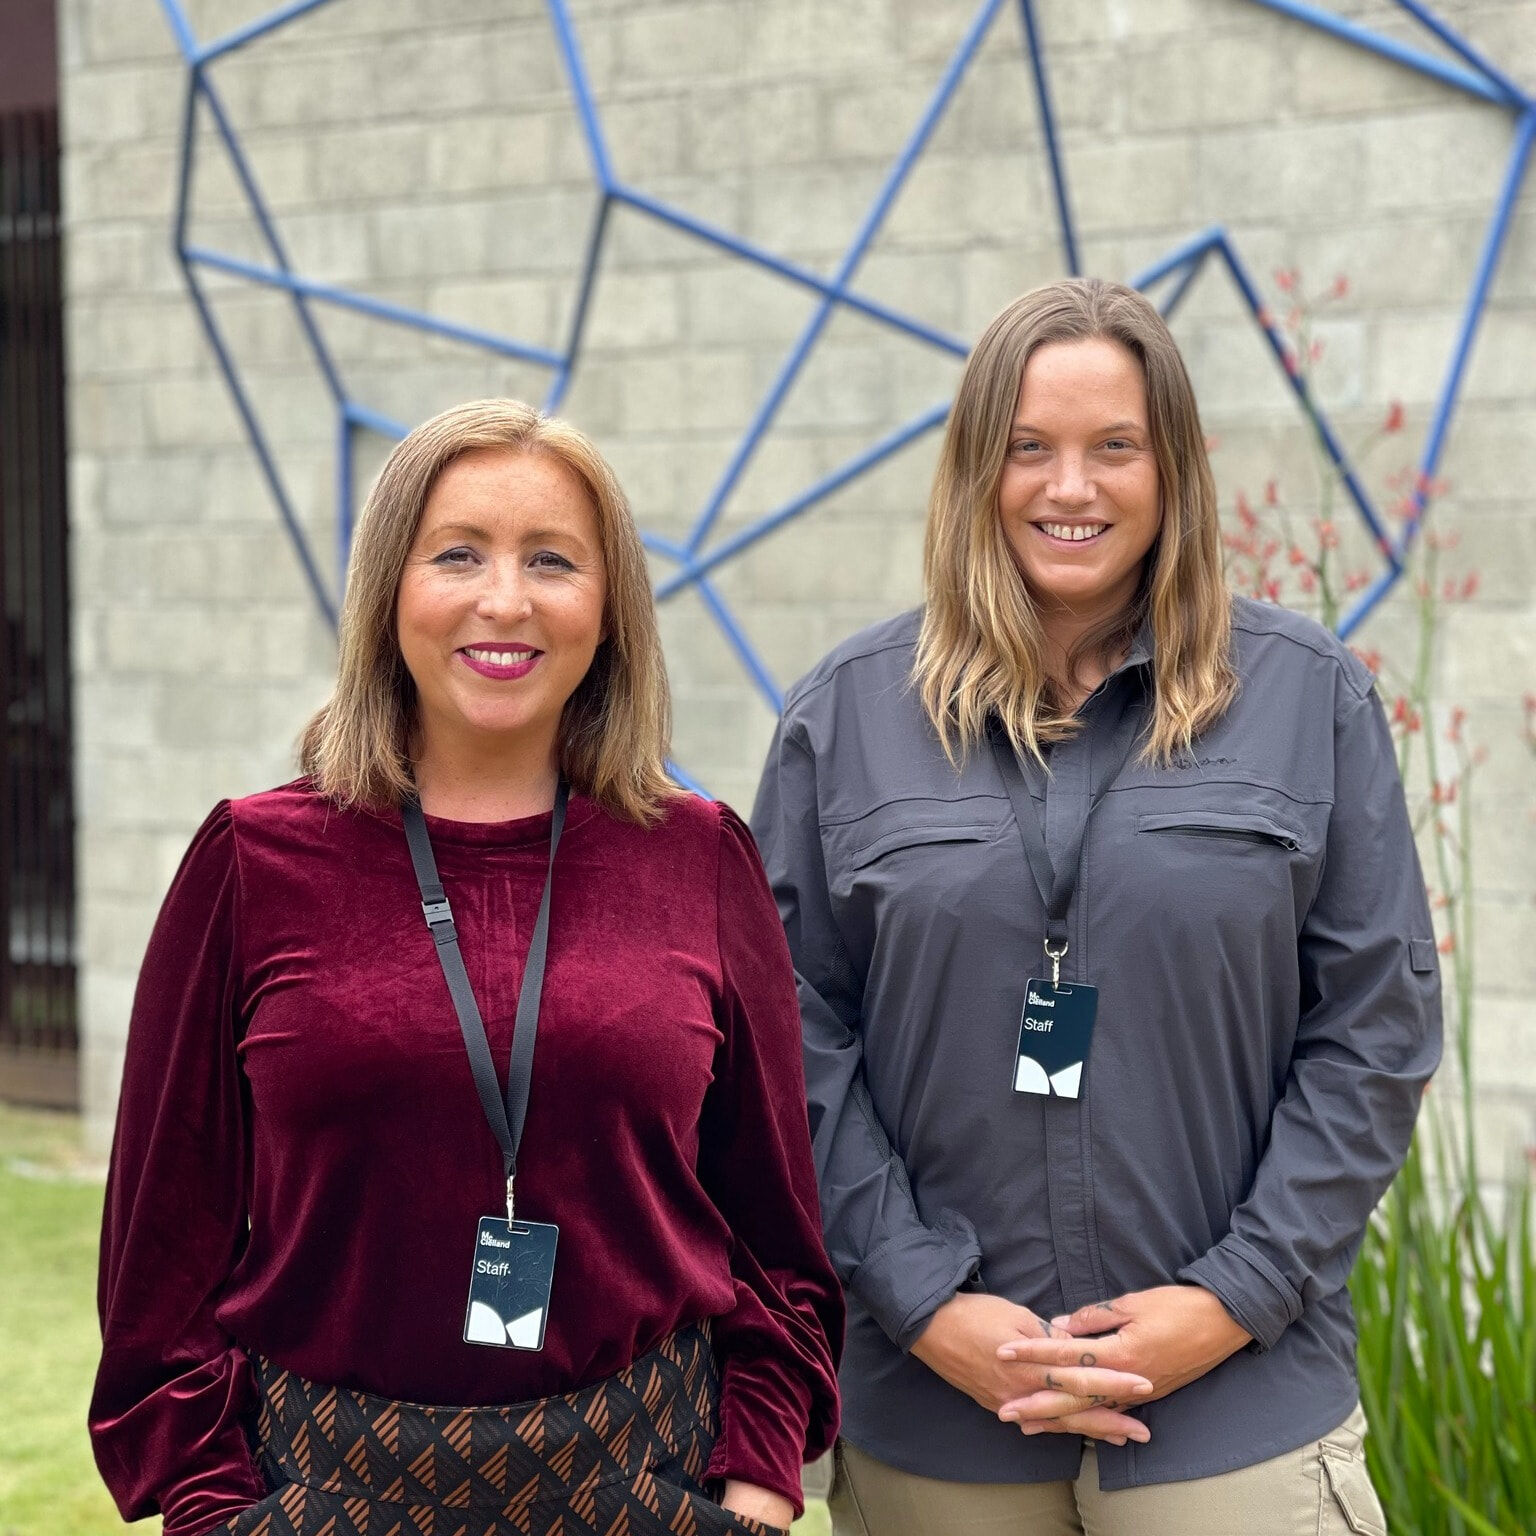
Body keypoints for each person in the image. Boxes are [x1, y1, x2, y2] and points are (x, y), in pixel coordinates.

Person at [752, 278, 1440, 1533]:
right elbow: (791, 1043)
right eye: (1029, 449)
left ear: (1170, 465)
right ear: (976, 470)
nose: (1071, 488)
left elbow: (1375, 1030)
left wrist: (1231, 1298)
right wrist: (923, 1302)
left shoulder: (1308, 698)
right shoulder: (840, 719)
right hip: (941, 1424)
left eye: (1113, 446)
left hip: (1234, 1413)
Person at [92, 399, 841, 1536]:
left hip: (645, 1484)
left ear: (609, 608)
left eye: (552, 559)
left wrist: (756, 1488)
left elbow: (779, 1238)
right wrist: (214, 1509)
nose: (506, 600)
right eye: (458, 554)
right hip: (324, 1494)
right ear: (391, 590)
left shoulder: (700, 858)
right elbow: (162, 1247)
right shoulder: (251, 861)